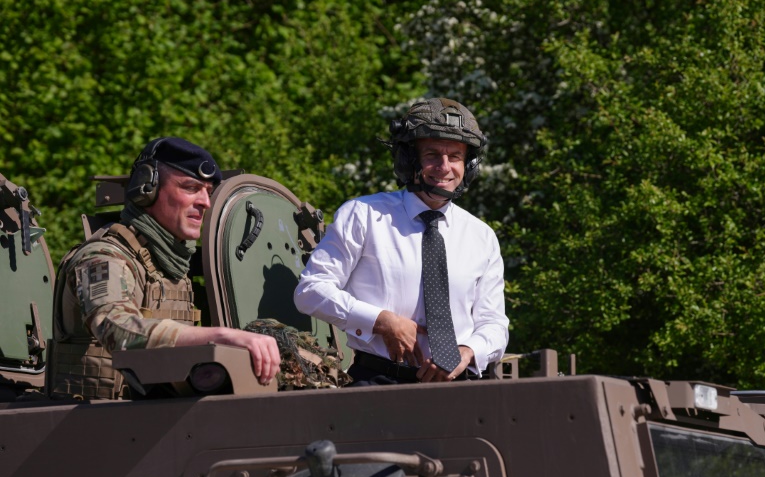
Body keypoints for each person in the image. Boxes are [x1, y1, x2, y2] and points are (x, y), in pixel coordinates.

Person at [294, 98, 509, 385]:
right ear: (409, 160)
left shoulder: (481, 237)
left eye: (455, 156)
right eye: (432, 154)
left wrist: (468, 351)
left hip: (458, 389)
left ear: (467, 165)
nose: (444, 167)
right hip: (379, 380)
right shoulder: (363, 215)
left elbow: (494, 324)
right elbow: (310, 291)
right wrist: (382, 322)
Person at [49, 137, 280, 399]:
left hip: (154, 422)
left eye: (208, 191)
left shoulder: (174, 267)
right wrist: (221, 336)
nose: (205, 202)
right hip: (87, 424)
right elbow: (115, 327)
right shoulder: (104, 256)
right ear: (147, 189)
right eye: (191, 188)